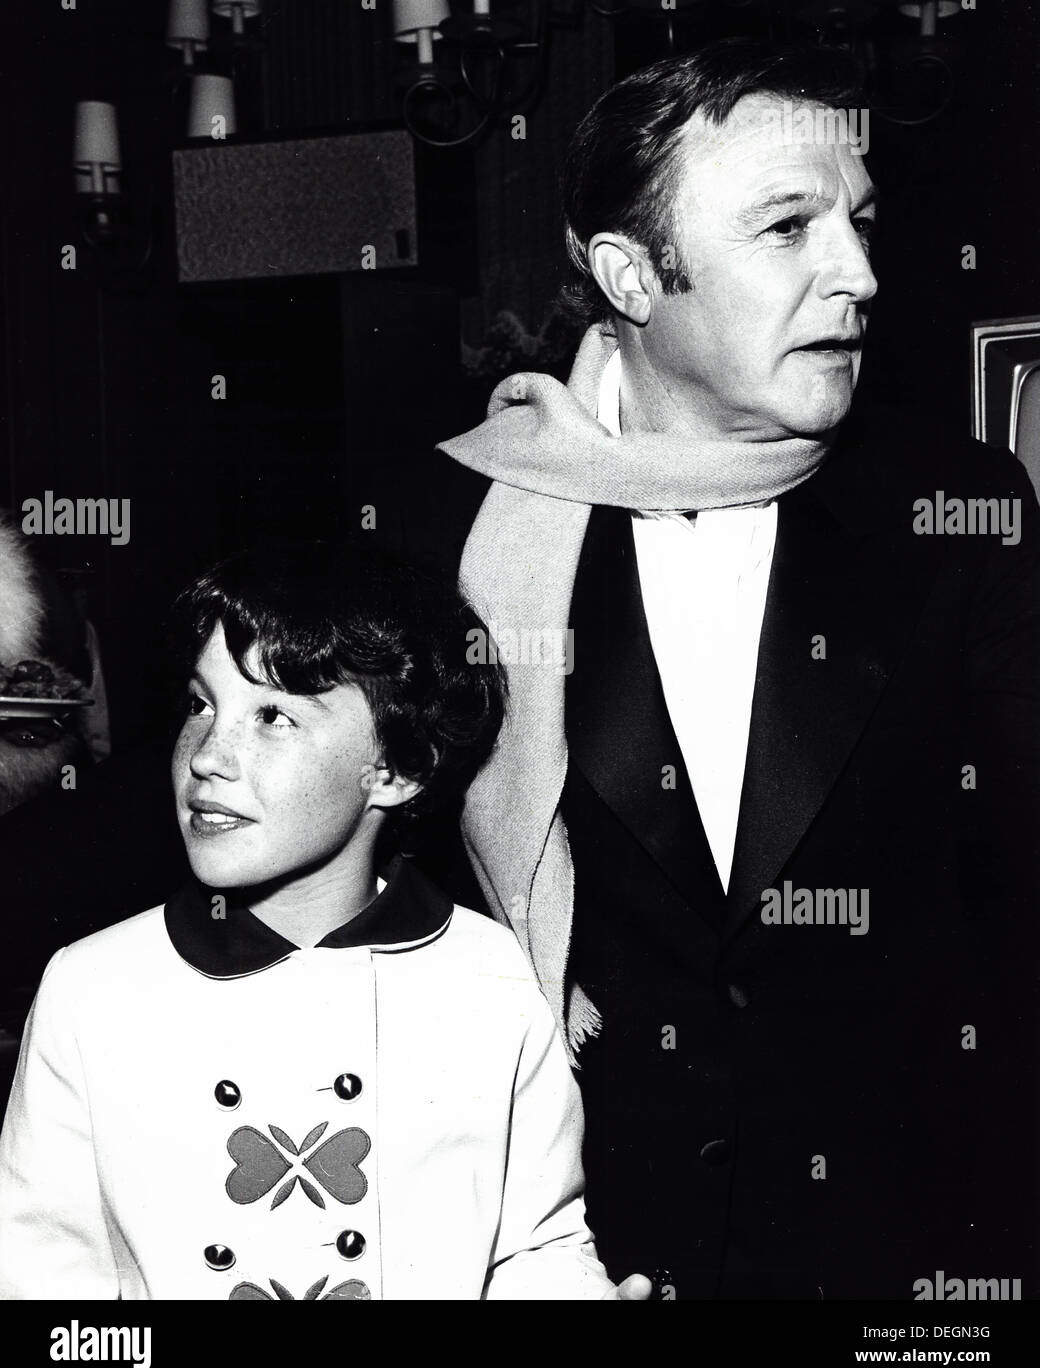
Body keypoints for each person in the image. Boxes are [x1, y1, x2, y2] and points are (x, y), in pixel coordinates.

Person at [407, 40, 1039, 1299]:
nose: (855, 274)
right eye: (786, 227)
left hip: (916, 1262)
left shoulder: (961, 513)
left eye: (857, 221)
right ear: (629, 274)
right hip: (570, 1246)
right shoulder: (455, 530)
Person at [0, 543, 649, 1300]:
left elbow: (537, 1247)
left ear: (398, 771)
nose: (208, 756)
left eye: (273, 716)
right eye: (201, 703)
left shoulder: (491, 979)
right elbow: (40, 1285)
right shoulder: (93, 988)